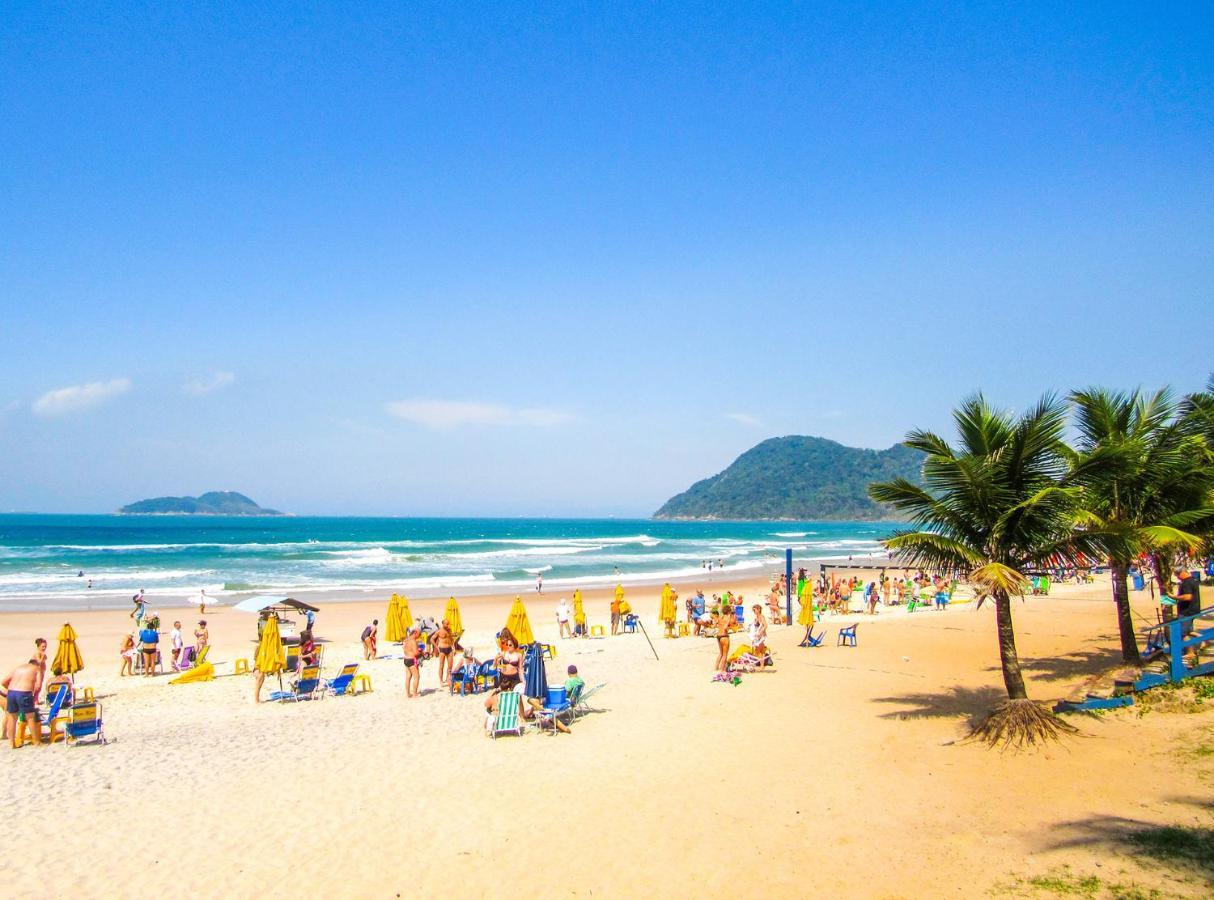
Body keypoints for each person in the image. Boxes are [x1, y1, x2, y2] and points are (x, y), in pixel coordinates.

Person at [3, 658, 45, 747]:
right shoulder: (37, 669)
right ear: (37, 664)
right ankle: (37, 742)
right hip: (24, 692)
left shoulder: (18, 668)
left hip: (12, 692)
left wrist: (11, 689)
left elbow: (3, 682)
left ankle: (12, 743)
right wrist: (33, 695)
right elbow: (38, 686)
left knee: (12, 718)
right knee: (30, 717)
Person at [433, 619, 455, 685]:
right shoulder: (439, 631)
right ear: (443, 624)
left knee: (450, 666)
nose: (448, 625)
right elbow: (432, 639)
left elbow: (451, 639)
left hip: (449, 649)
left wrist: (453, 647)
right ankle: (441, 680)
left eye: (448, 624)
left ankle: (448, 678)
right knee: (441, 666)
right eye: (446, 624)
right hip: (442, 649)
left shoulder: (449, 630)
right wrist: (436, 647)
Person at [713, 603, 733, 672]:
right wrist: (730, 627)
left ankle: (716, 668)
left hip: (718, 636)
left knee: (721, 653)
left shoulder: (720, 617)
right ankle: (722, 670)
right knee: (725, 654)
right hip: (724, 636)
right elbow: (725, 627)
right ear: (728, 611)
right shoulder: (728, 617)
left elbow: (714, 625)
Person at [402, 627, 421, 698]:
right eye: (419, 634)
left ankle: (408, 694)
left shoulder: (406, 639)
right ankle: (415, 694)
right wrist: (421, 652)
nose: (419, 636)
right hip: (412, 660)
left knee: (408, 677)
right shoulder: (413, 641)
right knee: (417, 677)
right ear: (415, 633)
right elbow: (416, 653)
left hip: (406, 659)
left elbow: (404, 649)